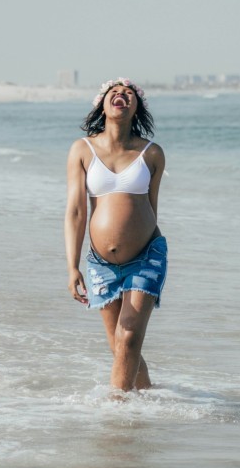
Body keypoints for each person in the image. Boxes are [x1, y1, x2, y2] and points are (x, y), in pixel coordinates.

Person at [64, 78, 168, 392]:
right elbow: (76, 211)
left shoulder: (152, 153)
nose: (121, 95)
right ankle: (148, 399)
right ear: (103, 104)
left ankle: (117, 416)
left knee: (129, 337)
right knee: (120, 346)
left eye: (128, 93)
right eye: (114, 92)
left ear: (137, 107)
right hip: (100, 263)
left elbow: (151, 208)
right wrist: (72, 266)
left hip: (146, 255)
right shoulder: (82, 149)